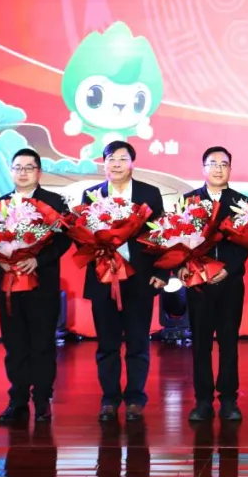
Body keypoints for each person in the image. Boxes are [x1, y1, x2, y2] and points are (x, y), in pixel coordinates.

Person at [81, 141, 167, 423]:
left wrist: (162, 273)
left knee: (138, 342)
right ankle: (109, 399)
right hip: (104, 278)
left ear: (132, 163)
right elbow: (83, 237)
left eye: (122, 158)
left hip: (140, 280)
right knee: (107, 344)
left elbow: (161, 234)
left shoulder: (149, 194)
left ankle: (135, 399)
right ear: (103, 163)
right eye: (111, 159)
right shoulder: (92, 195)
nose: (116, 164)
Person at [0, 148, 72, 425]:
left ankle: (41, 400)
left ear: (39, 172)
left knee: (42, 344)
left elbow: (64, 239)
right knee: (15, 344)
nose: (23, 172)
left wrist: (38, 260)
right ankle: (17, 400)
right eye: (18, 167)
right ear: (11, 171)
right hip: (9, 286)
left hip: (42, 284)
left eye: (29, 167)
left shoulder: (55, 202)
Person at [181, 146, 248, 422]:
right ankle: (203, 400)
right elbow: (176, 239)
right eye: (213, 163)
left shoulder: (241, 202)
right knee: (200, 343)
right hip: (199, 283)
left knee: (229, 342)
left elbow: (247, 243)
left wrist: (228, 269)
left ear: (230, 169)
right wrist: (185, 267)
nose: (218, 169)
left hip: (230, 283)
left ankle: (229, 399)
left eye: (224, 164)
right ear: (203, 168)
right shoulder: (189, 201)